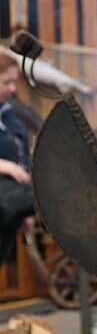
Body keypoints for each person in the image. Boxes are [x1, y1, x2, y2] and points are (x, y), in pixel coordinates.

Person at [0, 56, 36, 265]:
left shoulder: (8, 114)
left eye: (15, 82)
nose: (13, 89)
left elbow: (22, 155)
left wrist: (25, 211)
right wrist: (4, 166)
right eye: (6, 82)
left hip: (7, 211)